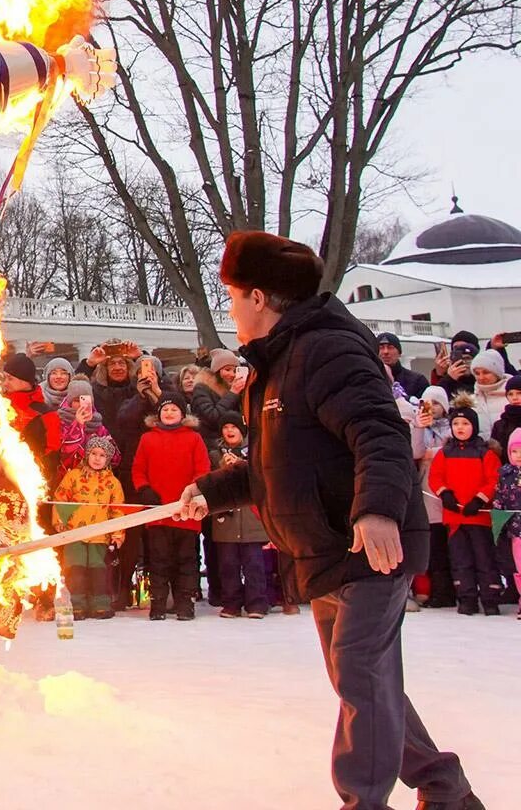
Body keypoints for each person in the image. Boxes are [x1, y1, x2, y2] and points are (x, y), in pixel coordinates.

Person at [176, 231, 477, 810]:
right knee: (361, 680)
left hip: (365, 541)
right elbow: (274, 467)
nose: (231, 308)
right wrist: (210, 491)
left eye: (233, 296)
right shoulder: (272, 367)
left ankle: (363, 801)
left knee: (361, 672)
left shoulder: (327, 349)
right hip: (322, 550)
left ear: (259, 296)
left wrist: (379, 509)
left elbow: (379, 431)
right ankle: (446, 789)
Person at [133, 398, 209, 620]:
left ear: (182, 413)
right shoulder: (147, 439)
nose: (169, 412)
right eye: (165, 409)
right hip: (158, 512)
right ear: (158, 414)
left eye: (173, 409)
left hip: (187, 511)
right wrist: (144, 488)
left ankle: (185, 603)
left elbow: (202, 469)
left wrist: (193, 492)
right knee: (158, 560)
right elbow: (138, 469)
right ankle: (158, 603)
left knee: (186, 559)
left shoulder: (194, 438)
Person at [427, 403, 502, 616]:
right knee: (460, 560)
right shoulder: (445, 453)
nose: (460, 427)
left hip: (479, 517)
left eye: (465, 423)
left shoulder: (485, 453)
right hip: (455, 518)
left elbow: (494, 480)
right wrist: (445, 494)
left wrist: (479, 500)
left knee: (484, 558)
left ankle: (490, 598)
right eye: (456, 423)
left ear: (474, 426)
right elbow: (435, 477)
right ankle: (466, 598)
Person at [51, 433, 125, 619]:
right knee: (75, 570)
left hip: (100, 536)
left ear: (107, 459)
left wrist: (117, 534)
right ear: (87, 455)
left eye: (102, 455)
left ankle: (100, 604)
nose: (97, 458)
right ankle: (76, 605)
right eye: (94, 454)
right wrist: (60, 522)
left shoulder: (113, 483)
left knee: (98, 571)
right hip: (74, 533)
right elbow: (61, 499)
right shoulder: (73, 477)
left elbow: (118, 510)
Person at [209, 419, 271, 618]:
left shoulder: (255, 452)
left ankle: (257, 604)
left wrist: (242, 466)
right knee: (228, 565)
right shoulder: (214, 455)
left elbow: (263, 478)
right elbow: (209, 483)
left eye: (233, 427)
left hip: (252, 520)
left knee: (254, 564)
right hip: (226, 521)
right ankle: (231, 604)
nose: (229, 430)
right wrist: (223, 467)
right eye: (225, 427)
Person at [407, 386, 456, 609]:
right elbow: (416, 452)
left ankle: (452, 588)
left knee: (453, 544)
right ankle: (433, 589)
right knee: (434, 544)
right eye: (426, 403)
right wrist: (419, 427)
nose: (431, 408)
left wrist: (433, 453)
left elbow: (452, 451)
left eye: (436, 403)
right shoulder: (419, 427)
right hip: (427, 491)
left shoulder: (453, 427)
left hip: (452, 489)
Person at [495, 431, 521, 620]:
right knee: (519, 567)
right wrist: (498, 521)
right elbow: (500, 498)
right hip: (516, 530)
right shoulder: (505, 474)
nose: (518, 455)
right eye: (515, 451)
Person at [378, 333, 429, 399]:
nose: (386, 352)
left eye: (390, 347)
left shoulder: (417, 381)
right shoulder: (367, 380)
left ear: (399, 353)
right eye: (381, 348)